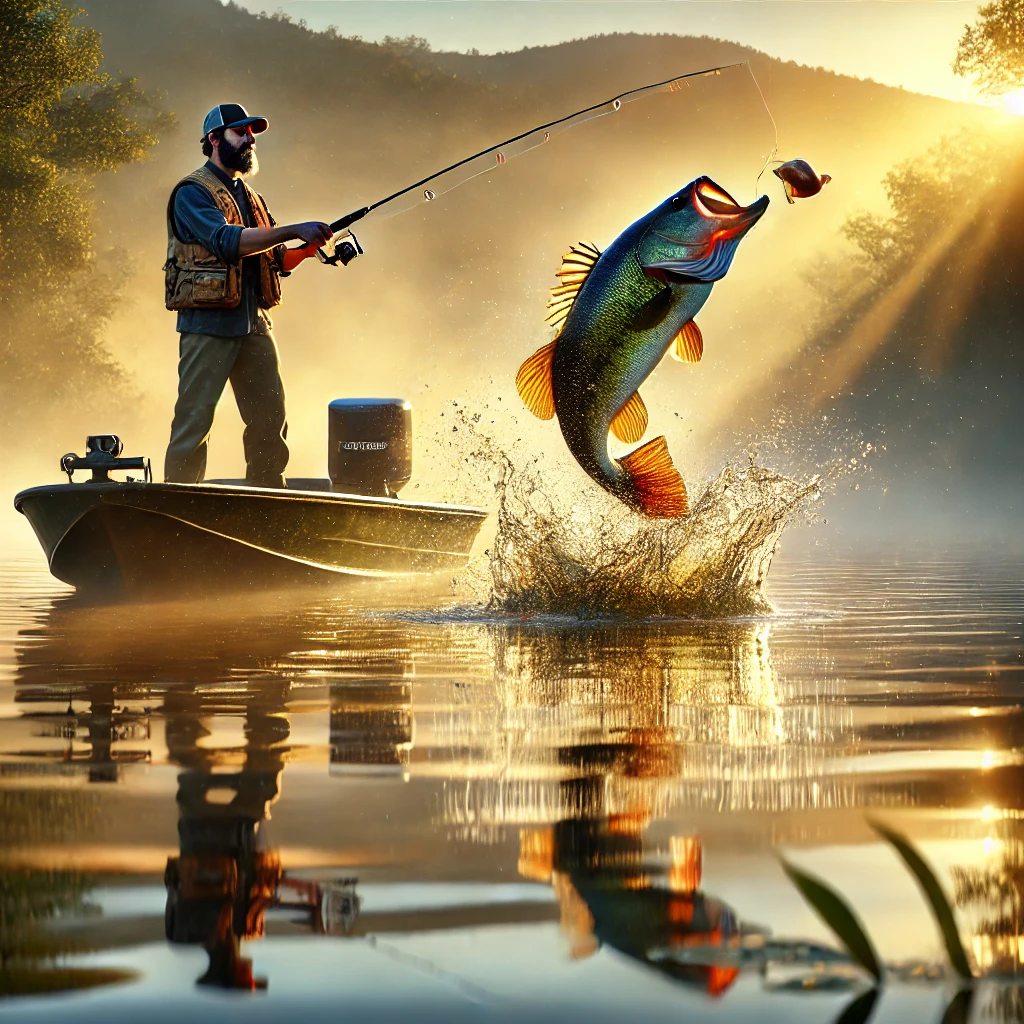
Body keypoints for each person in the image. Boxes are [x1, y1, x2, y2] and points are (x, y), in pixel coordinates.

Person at [163, 103, 333, 487]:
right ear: (213, 139)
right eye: (240, 132)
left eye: (251, 133)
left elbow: (278, 260)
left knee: (271, 418)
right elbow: (227, 242)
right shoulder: (192, 192)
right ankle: (179, 501)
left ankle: (267, 495)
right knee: (195, 418)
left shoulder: (251, 197)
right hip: (207, 325)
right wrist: (294, 228)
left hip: (254, 323)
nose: (250, 139)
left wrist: (308, 247)